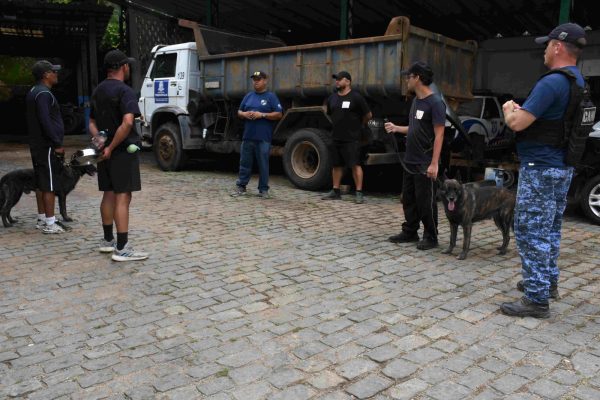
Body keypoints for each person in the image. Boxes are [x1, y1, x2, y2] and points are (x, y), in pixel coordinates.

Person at [500, 23, 587, 318]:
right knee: (549, 228)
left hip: (540, 168)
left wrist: (509, 110)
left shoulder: (552, 83)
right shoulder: (577, 81)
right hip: (561, 166)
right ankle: (546, 282)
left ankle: (536, 299)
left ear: (558, 46)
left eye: (547, 45)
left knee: (529, 230)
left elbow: (517, 123)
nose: (545, 51)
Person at [89, 49, 148, 262]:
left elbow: (91, 122)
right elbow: (128, 122)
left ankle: (108, 241)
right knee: (123, 196)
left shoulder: (98, 90)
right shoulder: (125, 91)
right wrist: (112, 147)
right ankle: (122, 248)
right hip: (122, 152)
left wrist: (101, 143)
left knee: (109, 193)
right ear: (123, 66)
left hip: (105, 153)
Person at [384, 61, 445, 250]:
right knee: (409, 198)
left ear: (417, 78)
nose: (406, 80)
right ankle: (410, 231)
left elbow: (439, 135)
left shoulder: (435, 103)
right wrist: (396, 128)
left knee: (425, 201)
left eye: (408, 77)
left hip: (425, 161)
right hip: (410, 159)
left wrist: (434, 163)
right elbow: (415, 128)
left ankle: (431, 236)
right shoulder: (416, 101)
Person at [26, 60, 66, 234]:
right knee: (49, 183)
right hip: (47, 145)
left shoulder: (33, 91)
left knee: (41, 181)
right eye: (53, 71)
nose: (56, 74)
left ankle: (42, 218)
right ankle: (50, 223)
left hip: (37, 144)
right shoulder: (43, 94)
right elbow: (45, 120)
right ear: (45, 75)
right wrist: (56, 143)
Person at [321, 71, 372, 204]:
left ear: (348, 81)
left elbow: (368, 115)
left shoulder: (356, 97)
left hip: (352, 138)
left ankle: (359, 193)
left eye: (339, 79)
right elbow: (330, 113)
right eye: (336, 79)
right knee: (336, 165)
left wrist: (359, 126)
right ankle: (335, 191)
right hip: (336, 136)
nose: (337, 81)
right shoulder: (332, 98)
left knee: (355, 164)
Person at [231, 71, 283, 198]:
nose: (256, 82)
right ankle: (241, 186)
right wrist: (244, 114)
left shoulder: (271, 97)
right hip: (248, 136)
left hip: (263, 137)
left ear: (265, 81)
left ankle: (263, 190)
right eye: (254, 79)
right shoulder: (248, 96)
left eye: (258, 79)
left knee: (263, 164)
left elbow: (279, 114)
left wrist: (262, 115)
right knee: (245, 163)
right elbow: (239, 111)